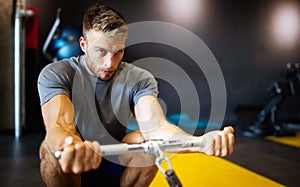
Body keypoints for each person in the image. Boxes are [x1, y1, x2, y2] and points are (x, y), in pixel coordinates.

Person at [38, 3, 235, 187]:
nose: (110, 63)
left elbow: (156, 126)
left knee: (147, 143)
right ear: (83, 44)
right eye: (101, 51)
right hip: (74, 163)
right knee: (49, 148)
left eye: (118, 52)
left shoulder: (138, 78)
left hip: (115, 161)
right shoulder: (58, 73)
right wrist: (69, 145)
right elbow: (59, 126)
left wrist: (201, 143)